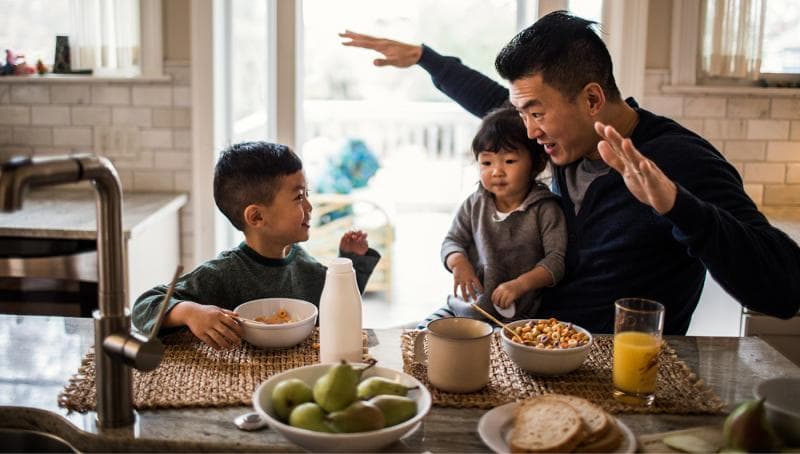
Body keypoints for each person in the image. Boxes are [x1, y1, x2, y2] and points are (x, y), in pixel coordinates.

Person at [340, 12, 800, 335]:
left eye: (536, 113)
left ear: (593, 99)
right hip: (525, 343)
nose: (527, 131)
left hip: (613, 374)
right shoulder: (564, 137)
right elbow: (493, 103)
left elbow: (783, 289)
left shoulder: (679, 161)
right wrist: (427, 58)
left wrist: (678, 206)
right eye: (523, 114)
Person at [132, 142, 381, 349]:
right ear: (257, 217)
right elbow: (144, 306)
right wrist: (189, 312)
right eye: (298, 197)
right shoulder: (222, 274)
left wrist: (349, 262)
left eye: (307, 194)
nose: (309, 207)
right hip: (236, 380)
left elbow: (339, 307)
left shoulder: (303, 263)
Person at [420, 106, 566, 328]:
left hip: (518, 320)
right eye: (487, 163)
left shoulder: (545, 209)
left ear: (536, 163)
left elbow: (556, 261)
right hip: (464, 309)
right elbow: (452, 241)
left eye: (509, 161)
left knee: (504, 358)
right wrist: (459, 263)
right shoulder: (475, 203)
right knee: (423, 334)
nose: (497, 171)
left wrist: (520, 285)